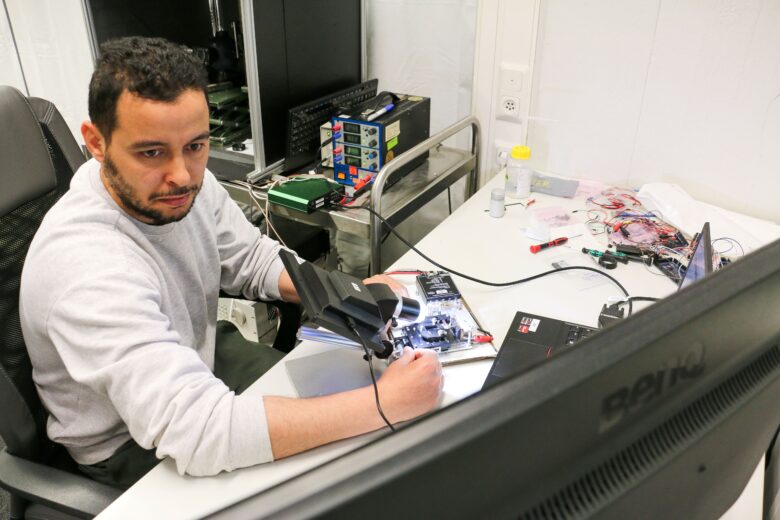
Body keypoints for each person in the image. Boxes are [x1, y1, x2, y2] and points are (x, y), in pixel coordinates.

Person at [19, 36, 442, 489]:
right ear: (97, 143)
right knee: (339, 473)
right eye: (151, 152)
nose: (181, 175)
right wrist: (387, 403)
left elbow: (249, 257)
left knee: (368, 444)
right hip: (127, 442)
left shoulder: (175, 187)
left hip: (196, 359)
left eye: (196, 146)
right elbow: (199, 432)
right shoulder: (86, 267)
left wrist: (343, 291)